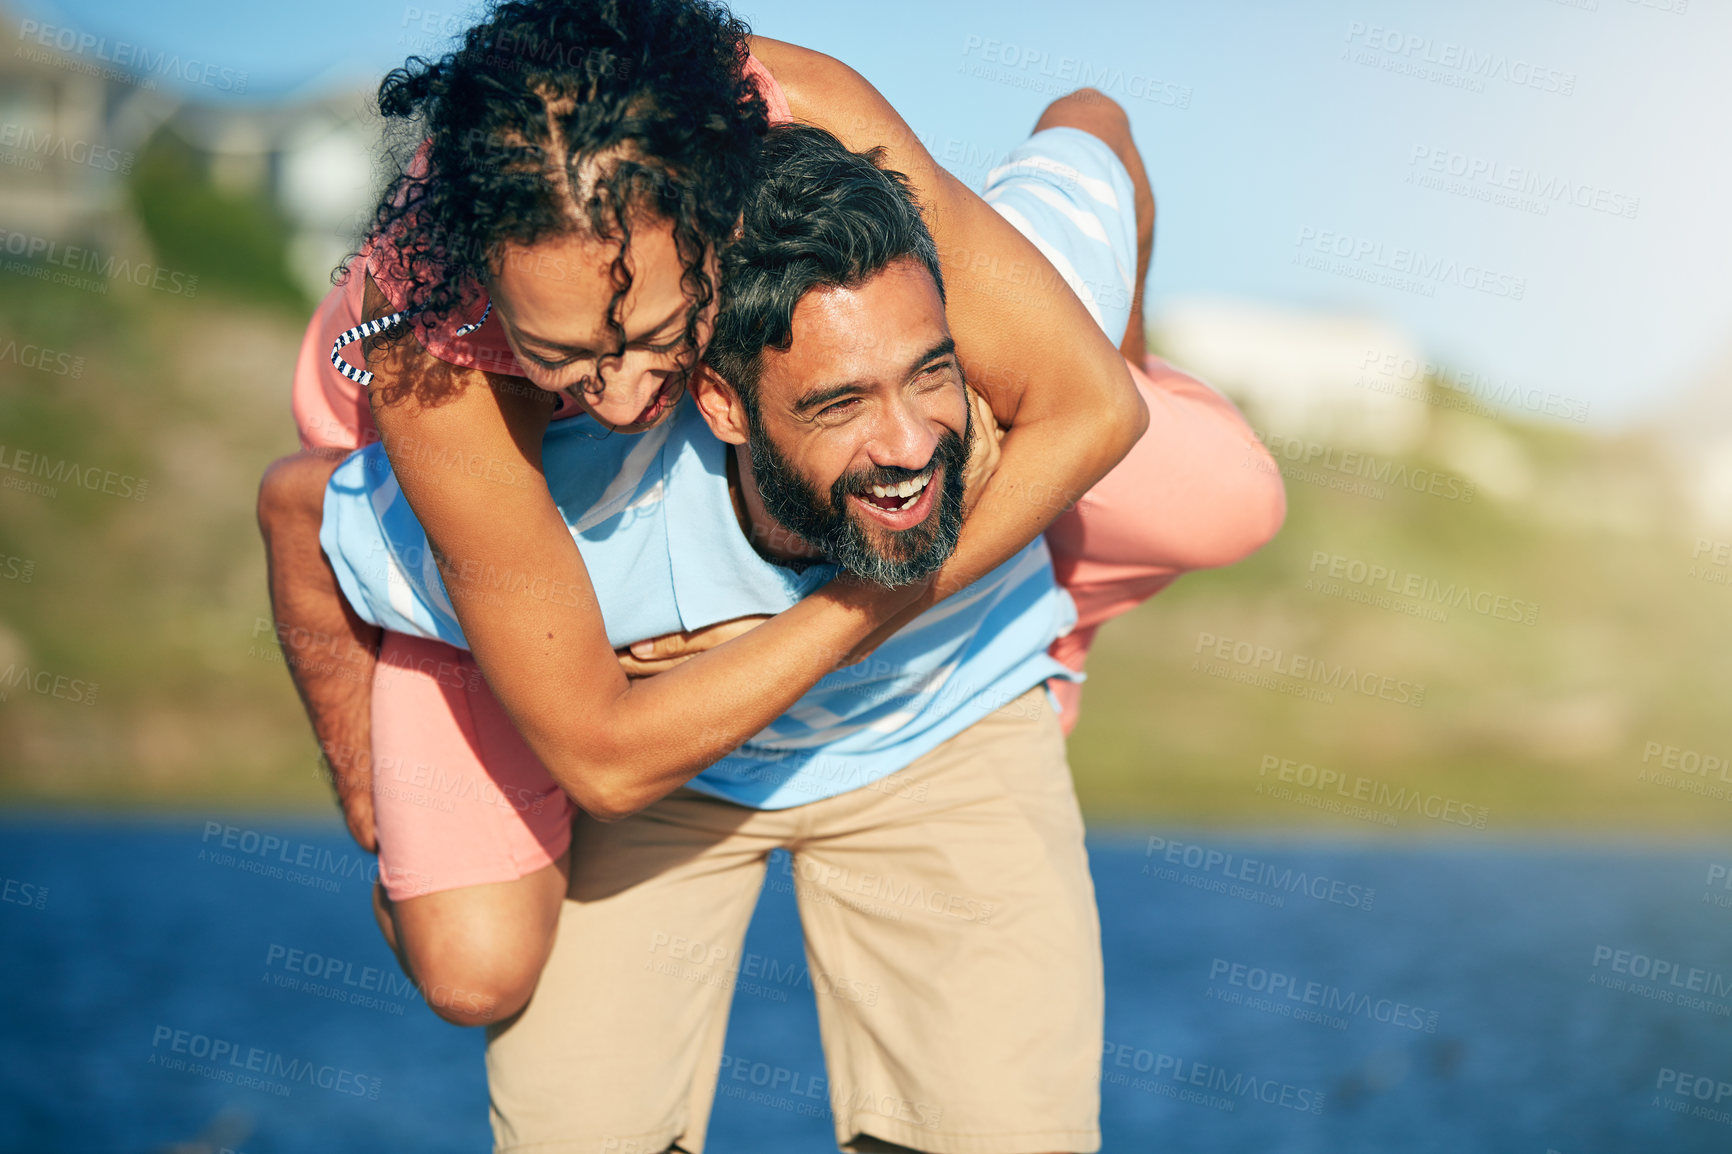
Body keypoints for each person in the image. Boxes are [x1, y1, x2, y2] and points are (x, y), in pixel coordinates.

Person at [256, 0, 1282, 1026]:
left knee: (1215, 491)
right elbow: (606, 758)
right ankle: (338, 522)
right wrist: (853, 610)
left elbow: (1096, 406)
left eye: (652, 333)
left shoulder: (812, 117)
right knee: (475, 975)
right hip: (415, 456)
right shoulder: (429, 339)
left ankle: (1059, 593)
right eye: (567, 360)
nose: (615, 398)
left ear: (713, 211)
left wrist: (873, 589)